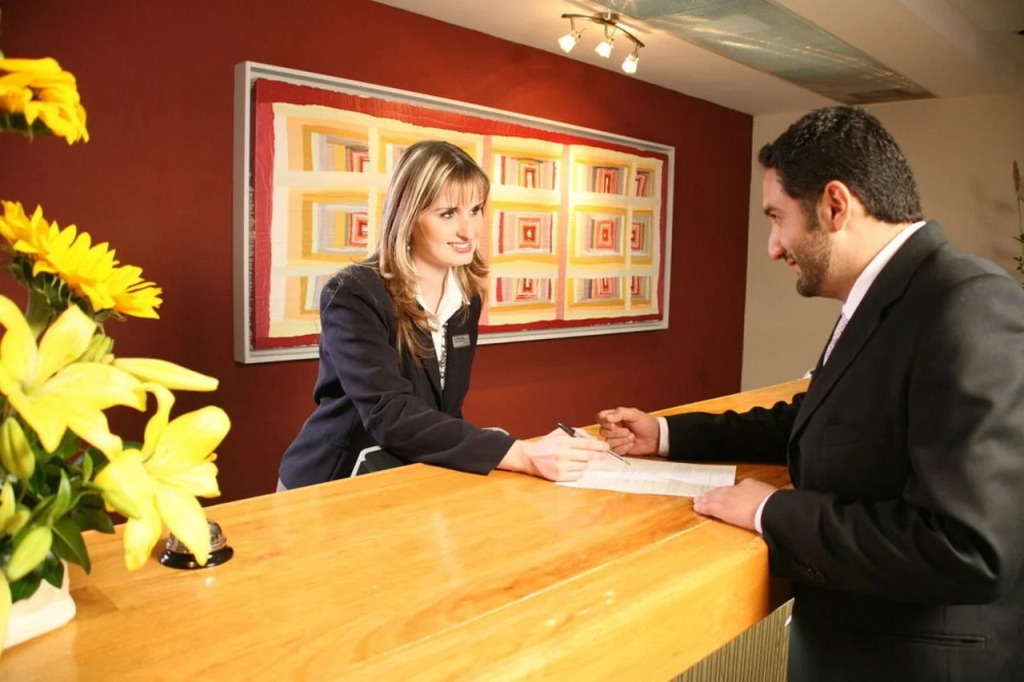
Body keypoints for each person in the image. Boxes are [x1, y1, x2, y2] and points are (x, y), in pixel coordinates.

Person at [598, 107, 1024, 682]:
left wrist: (772, 511)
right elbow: (818, 420)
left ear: (835, 206)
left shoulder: (966, 304)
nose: (773, 247)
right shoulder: (885, 299)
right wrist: (669, 433)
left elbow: (967, 549)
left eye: (778, 218)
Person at [278, 140, 608, 490]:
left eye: (475, 209)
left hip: (408, 475)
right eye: (448, 213)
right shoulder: (354, 292)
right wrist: (519, 453)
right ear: (408, 217)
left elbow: (443, 410)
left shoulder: (466, 298)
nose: (469, 230)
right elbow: (391, 415)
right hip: (333, 480)